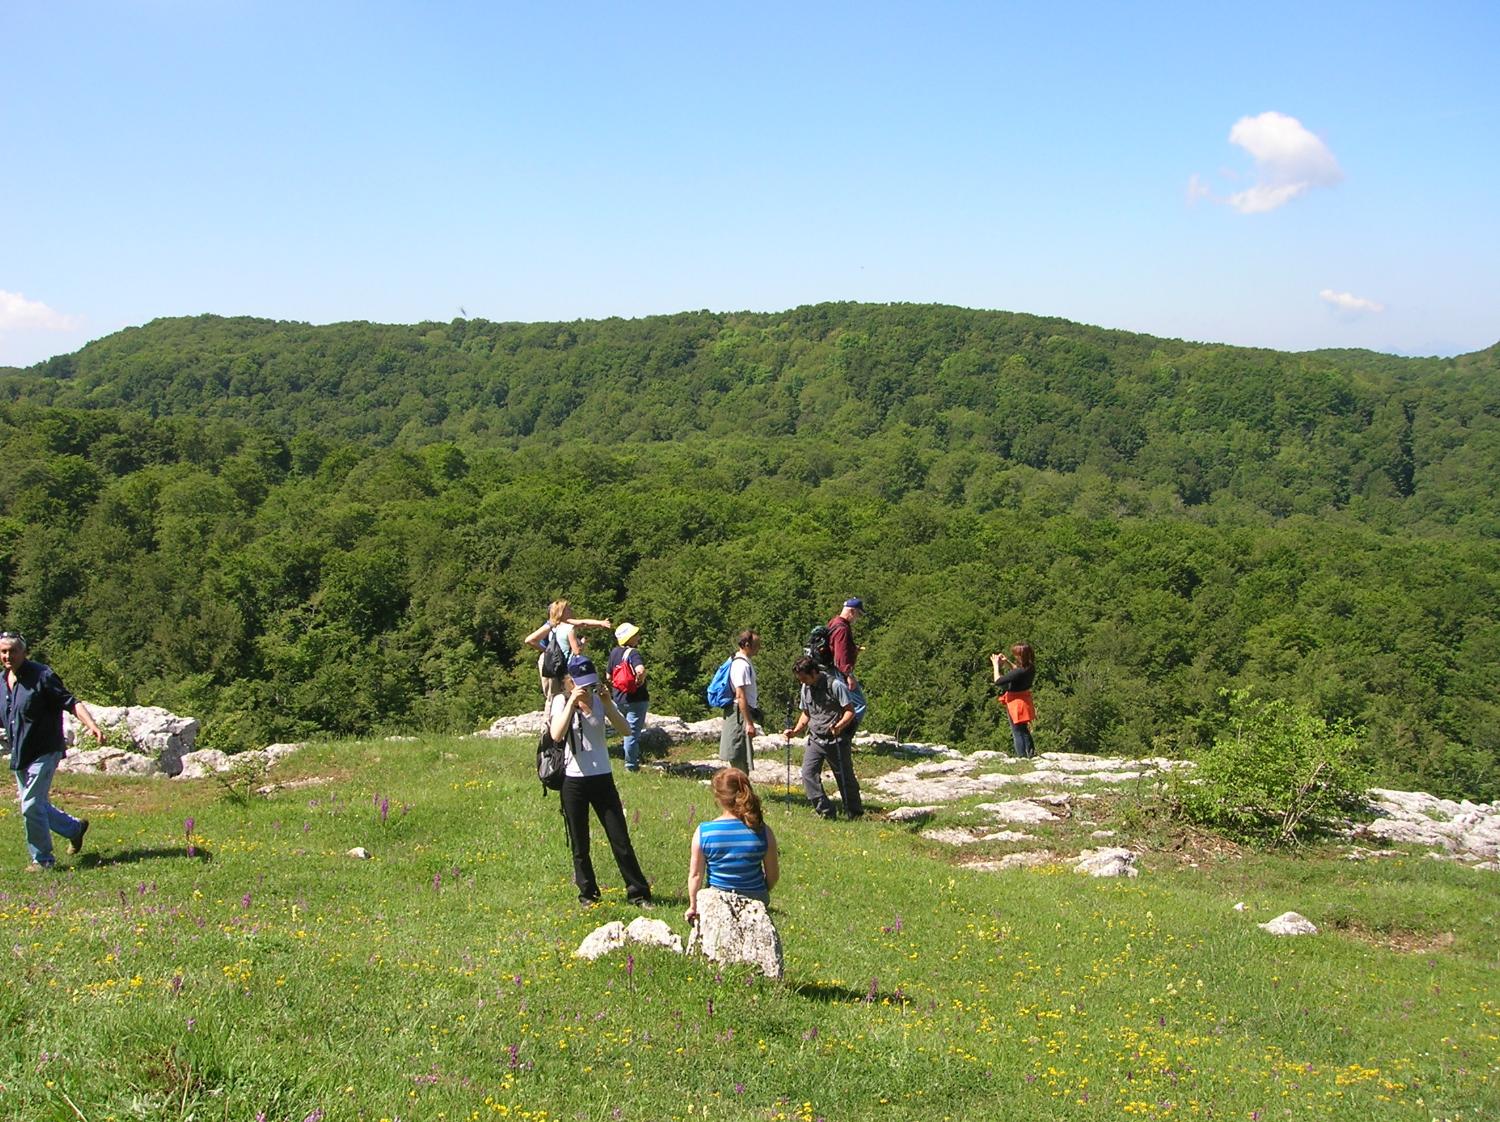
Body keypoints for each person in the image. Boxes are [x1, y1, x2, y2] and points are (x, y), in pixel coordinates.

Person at [548, 654, 652, 907]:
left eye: (589, 682)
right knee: (580, 842)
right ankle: (588, 894)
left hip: (602, 777)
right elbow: (556, 735)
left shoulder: (598, 700)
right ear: (569, 681)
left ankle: (638, 893)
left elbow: (626, 730)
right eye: (580, 682)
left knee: (620, 838)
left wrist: (606, 703)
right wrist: (572, 702)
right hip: (574, 780)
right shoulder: (561, 701)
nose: (586, 687)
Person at [2, 632, 105, 870]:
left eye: (12, 651)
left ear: (23, 652)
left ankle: (43, 860)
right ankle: (75, 829)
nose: (8, 656)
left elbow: (71, 702)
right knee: (37, 805)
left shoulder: (42, 676)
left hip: (45, 750)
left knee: (29, 806)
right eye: (3, 651)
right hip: (21, 753)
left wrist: (92, 726)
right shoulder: (2, 682)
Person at [686, 767, 779, 923]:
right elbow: (773, 876)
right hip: (756, 902)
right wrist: (759, 891)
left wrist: (693, 906)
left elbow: (695, 875)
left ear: (718, 798)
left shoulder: (704, 832)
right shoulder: (763, 831)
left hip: (718, 901)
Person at [785, 654, 862, 819]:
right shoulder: (805, 688)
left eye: (804, 678)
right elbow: (806, 713)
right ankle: (825, 811)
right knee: (807, 773)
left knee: (844, 776)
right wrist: (795, 730)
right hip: (815, 738)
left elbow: (850, 711)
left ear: (814, 672)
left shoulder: (835, 685)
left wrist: (839, 726)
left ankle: (855, 812)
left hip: (836, 739)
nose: (802, 681)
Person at [525, 600, 613, 700]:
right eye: (568, 609)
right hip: (550, 660)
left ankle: (561, 711)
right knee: (555, 692)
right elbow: (529, 640)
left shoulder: (563, 624)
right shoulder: (551, 625)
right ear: (561, 612)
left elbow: (583, 623)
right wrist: (546, 650)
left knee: (560, 693)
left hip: (559, 659)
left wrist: (600, 623)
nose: (571, 610)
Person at [607, 622, 649, 772]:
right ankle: (631, 766)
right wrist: (640, 679)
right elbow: (640, 669)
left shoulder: (614, 653)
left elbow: (608, 675)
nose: (638, 637)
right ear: (628, 638)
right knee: (631, 733)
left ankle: (631, 758)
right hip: (636, 699)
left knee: (625, 729)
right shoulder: (634, 653)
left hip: (619, 698)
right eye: (635, 635)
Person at [718, 630, 761, 773]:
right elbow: (740, 695)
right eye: (756, 643)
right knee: (738, 754)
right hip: (739, 713)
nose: (759, 646)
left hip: (741, 712)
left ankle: (741, 790)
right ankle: (740, 790)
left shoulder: (743, 662)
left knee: (743, 753)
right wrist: (749, 723)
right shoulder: (741, 665)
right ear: (747, 644)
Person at [827, 597, 868, 729]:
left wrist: (853, 649)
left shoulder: (834, 622)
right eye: (858, 614)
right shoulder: (842, 628)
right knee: (858, 704)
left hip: (831, 671)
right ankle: (846, 734)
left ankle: (839, 734)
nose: (858, 618)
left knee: (840, 705)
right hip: (840, 672)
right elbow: (840, 655)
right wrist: (848, 675)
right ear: (852, 611)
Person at [991, 642, 1037, 759]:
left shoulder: (1019, 672)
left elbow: (998, 681)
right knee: (1024, 729)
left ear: (1021, 656)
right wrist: (1006, 662)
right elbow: (1016, 670)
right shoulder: (1030, 668)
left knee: (1017, 731)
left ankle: (1021, 756)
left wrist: (996, 665)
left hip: (1015, 702)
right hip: (1024, 699)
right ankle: (1031, 754)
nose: (1015, 656)